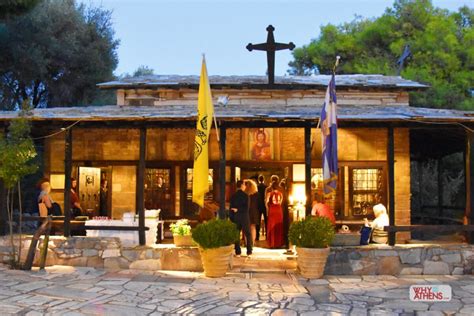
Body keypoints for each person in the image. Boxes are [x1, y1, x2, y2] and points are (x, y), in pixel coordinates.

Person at [229, 180, 252, 256]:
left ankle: (238, 251)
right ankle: (249, 251)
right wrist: (239, 210)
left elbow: (231, 208)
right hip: (244, 216)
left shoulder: (233, 196)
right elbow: (246, 208)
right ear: (242, 185)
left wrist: (232, 217)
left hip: (236, 217)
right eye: (245, 185)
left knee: (236, 234)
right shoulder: (246, 196)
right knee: (248, 234)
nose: (245, 186)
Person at [266, 181, 284, 248]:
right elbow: (280, 203)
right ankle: (278, 243)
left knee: (271, 226)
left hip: (272, 210)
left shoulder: (269, 194)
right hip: (279, 210)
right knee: (278, 227)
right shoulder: (280, 194)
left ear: (272, 187)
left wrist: (268, 209)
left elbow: (267, 203)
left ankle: (272, 244)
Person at [244, 179, 259, 245]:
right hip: (254, 211)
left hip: (246, 211)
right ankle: (252, 242)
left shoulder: (244, 193)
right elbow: (259, 204)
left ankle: (247, 243)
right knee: (253, 227)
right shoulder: (256, 194)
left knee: (246, 228)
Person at [256, 175, 267, 241]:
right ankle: (267, 236)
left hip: (258, 205)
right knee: (266, 220)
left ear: (258, 180)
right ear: (264, 179)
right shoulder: (266, 187)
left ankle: (257, 236)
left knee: (258, 221)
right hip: (265, 205)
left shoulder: (257, 187)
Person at [280, 179, 290, 248]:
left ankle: (284, 242)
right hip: (285, 213)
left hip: (282, 212)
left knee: (283, 228)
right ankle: (286, 243)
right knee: (286, 228)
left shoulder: (282, 193)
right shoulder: (286, 193)